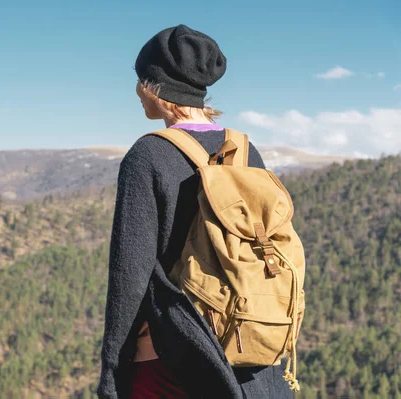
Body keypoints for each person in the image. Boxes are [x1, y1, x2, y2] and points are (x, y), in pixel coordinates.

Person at [98, 25, 293, 398]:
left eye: (141, 80)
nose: (137, 91)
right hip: (244, 338)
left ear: (156, 86)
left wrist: (112, 370)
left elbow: (129, 275)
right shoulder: (246, 151)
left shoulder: (148, 155)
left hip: (172, 356)